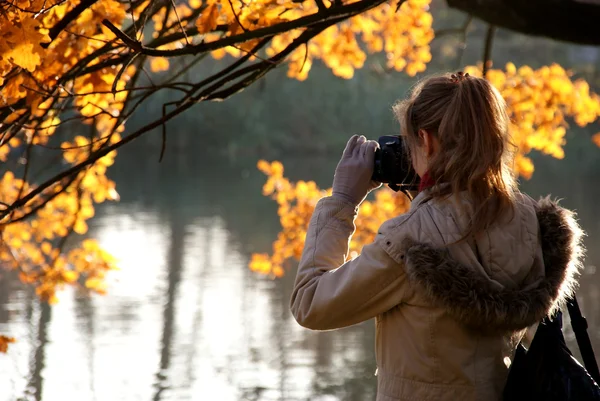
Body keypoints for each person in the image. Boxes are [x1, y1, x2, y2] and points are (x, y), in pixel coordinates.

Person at [289, 72, 584, 401]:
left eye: (411, 143)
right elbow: (463, 235)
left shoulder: (408, 242)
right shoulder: (531, 222)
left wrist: (342, 201)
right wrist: (430, 193)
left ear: (427, 141)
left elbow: (310, 304)